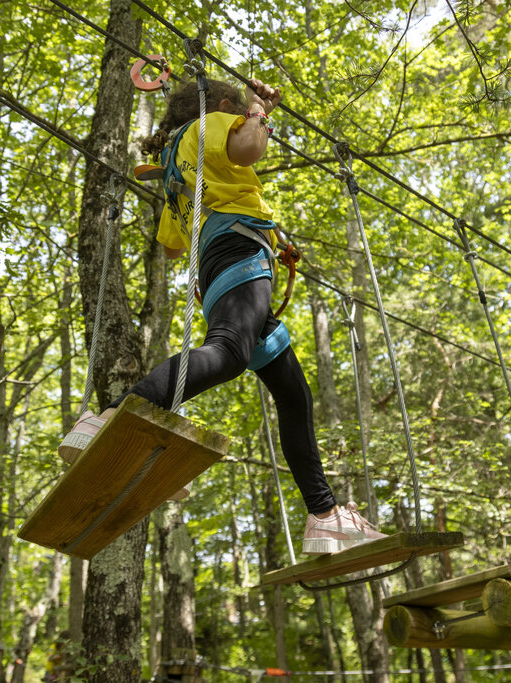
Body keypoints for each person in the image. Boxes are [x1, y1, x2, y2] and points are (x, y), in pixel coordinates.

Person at [59, 76, 384, 555]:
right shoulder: (213, 121)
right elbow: (250, 149)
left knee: (295, 392)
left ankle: (325, 515)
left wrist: (199, 180)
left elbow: (171, 247)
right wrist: (256, 113)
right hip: (238, 254)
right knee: (230, 353)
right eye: (236, 111)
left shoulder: (176, 167)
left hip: (216, 269)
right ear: (224, 105)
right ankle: (109, 418)